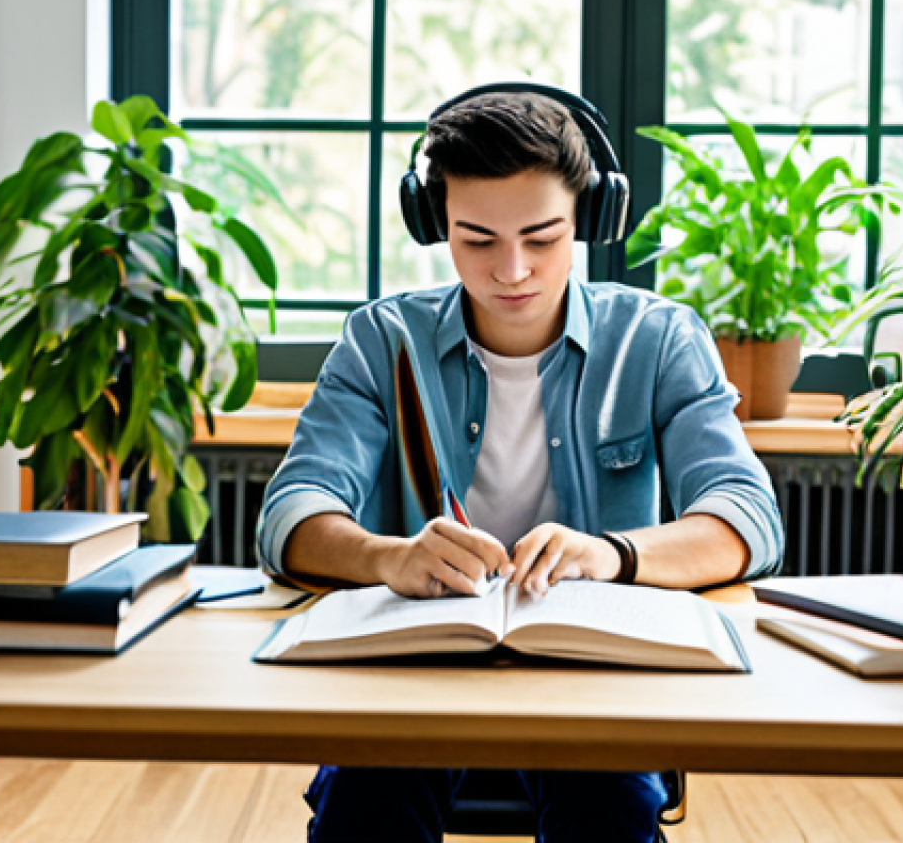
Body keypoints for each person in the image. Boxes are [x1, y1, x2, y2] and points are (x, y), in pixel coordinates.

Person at [256, 85, 784, 843]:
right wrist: (391, 558)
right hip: (414, 671)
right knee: (365, 809)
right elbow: (291, 514)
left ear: (589, 221)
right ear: (436, 223)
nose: (511, 270)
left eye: (543, 239)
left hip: (593, 676)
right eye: (478, 240)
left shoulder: (660, 338)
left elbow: (746, 517)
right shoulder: (381, 339)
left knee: (607, 813)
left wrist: (612, 555)